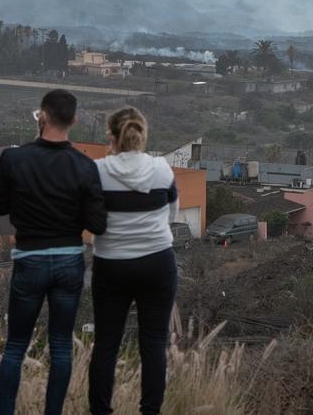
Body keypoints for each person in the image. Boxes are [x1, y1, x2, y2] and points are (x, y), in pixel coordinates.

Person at [0, 89, 107, 415]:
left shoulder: (13, 158)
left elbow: (0, 206)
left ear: (41, 116)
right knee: (61, 345)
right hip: (69, 261)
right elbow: (98, 224)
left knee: (15, 346)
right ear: (74, 120)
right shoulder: (85, 166)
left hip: (29, 259)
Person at [88, 106, 179, 415]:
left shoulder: (97, 170)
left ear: (112, 136)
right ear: (142, 134)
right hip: (157, 263)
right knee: (154, 343)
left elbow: (89, 215)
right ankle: (150, 411)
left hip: (111, 265)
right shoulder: (162, 169)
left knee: (106, 344)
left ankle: (101, 411)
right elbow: (173, 215)